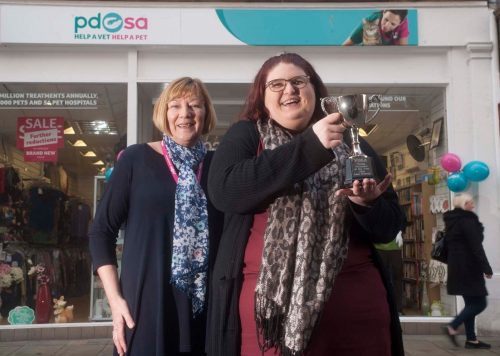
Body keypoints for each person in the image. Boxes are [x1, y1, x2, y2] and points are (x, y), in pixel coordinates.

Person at [206, 53, 405, 356]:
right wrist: (311, 145)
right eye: (277, 84)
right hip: (269, 322)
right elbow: (226, 192)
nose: (290, 90)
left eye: (299, 81)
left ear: (316, 91)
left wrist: (366, 205)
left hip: (358, 316)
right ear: (262, 96)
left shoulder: (352, 139)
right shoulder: (246, 135)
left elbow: (389, 227)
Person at [89, 77, 223, 356]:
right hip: (146, 305)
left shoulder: (218, 166)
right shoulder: (135, 160)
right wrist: (115, 302)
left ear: (206, 113)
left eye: (194, 105)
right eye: (175, 105)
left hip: (204, 309)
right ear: (164, 113)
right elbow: (101, 232)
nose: (184, 113)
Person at [443, 193, 492, 349]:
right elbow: (476, 246)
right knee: (480, 303)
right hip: (469, 268)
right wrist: (486, 267)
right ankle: (453, 326)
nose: (473, 205)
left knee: (471, 303)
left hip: (457, 267)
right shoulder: (467, 220)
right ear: (464, 205)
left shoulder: (453, 221)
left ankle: (471, 340)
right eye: (470, 203)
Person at [343, 9, 409, 46]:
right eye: (386, 19)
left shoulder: (402, 23)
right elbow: (345, 45)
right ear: (384, 12)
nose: (386, 26)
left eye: (393, 24)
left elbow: (403, 50)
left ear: (400, 23)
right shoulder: (371, 21)